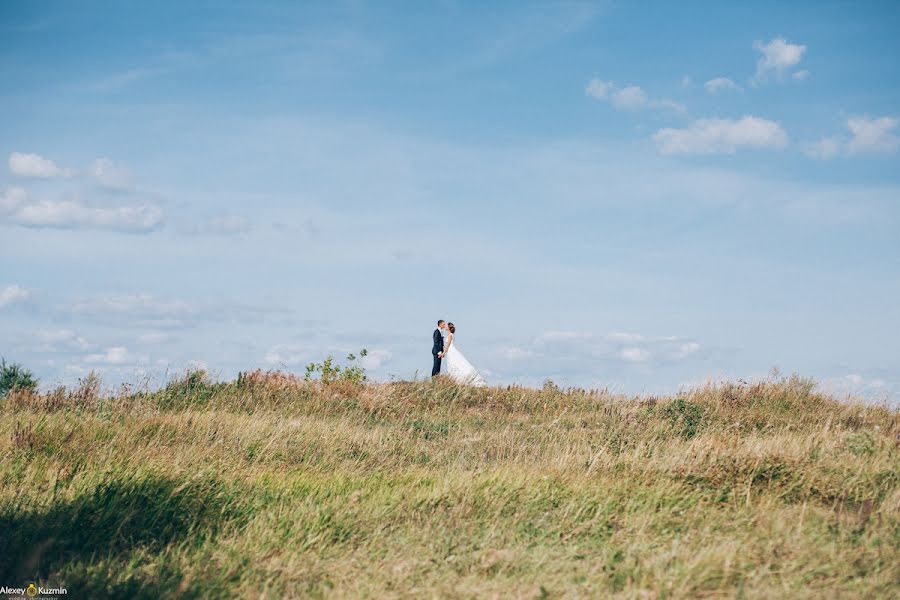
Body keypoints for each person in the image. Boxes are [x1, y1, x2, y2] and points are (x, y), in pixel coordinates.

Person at [440, 322, 486, 387]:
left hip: (451, 351)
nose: (445, 326)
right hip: (450, 351)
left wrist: (443, 353)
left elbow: (448, 345)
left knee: (456, 364)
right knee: (454, 364)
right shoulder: (450, 335)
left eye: (447, 326)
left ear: (449, 328)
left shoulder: (450, 335)